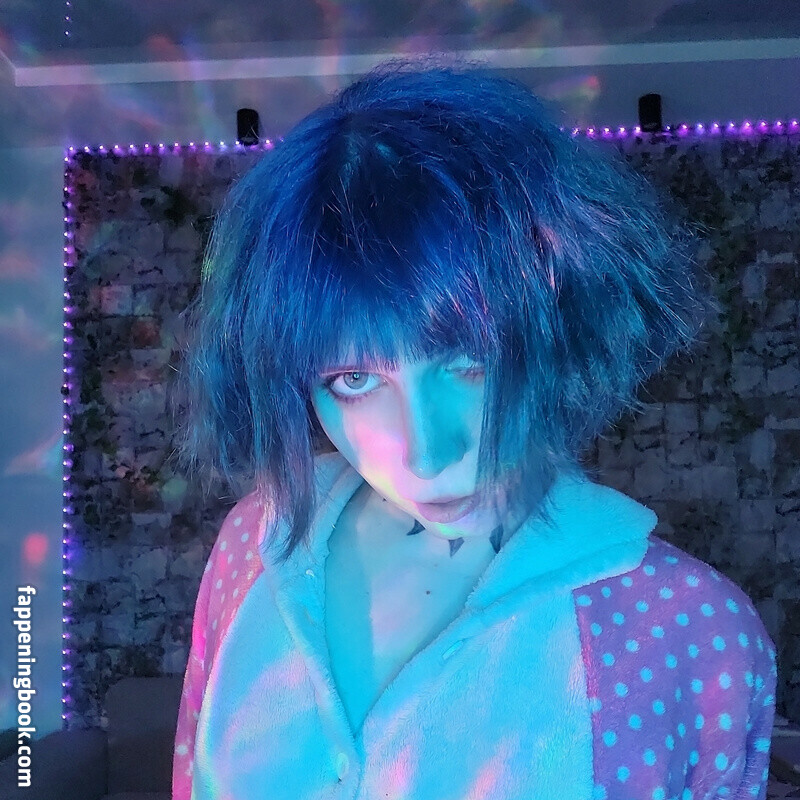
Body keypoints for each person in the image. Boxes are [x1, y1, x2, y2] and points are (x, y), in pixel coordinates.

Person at [169, 57, 777, 800]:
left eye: (471, 363)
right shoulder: (257, 543)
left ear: (565, 327)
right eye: (354, 380)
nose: (428, 453)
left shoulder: (693, 629)